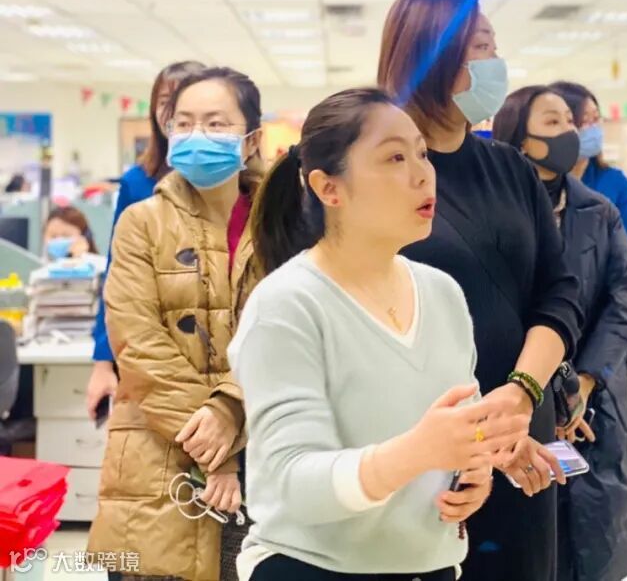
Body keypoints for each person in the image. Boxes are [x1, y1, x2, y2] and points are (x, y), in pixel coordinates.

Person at [229, 88, 529, 581]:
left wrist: (474, 470)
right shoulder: (287, 305)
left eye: (422, 154)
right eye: (394, 157)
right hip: (310, 569)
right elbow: (293, 483)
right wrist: (417, 453)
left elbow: (460, 427)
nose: (423, 174)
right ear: (329, 189)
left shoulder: (442, 293)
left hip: (430, 566)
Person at [377, 0, 581, 581]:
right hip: (418, 439)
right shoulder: (376, 174)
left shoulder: (510, 169)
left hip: (522, 434)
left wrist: (520, 394)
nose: (497, 63)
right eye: (482, 47)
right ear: (431, 55)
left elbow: (558, 292)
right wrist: (474, 428)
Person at [88, 67, 264, 581]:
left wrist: (231, 410)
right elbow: (138, 345)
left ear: (251, 140)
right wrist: (217, 449)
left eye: (216, 123)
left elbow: (288, 339)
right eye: (183, 124)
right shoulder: (141, 222)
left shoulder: (283, 223)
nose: (197, 136)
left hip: (264, 455)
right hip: (158, 458)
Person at [492, 86, 627, 581]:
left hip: (593, 404)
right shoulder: (497, 213)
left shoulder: (598, 211)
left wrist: (584, 383)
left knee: (592, 547)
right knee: (524, 547)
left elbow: (623, 300)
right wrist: (536, 392)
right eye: (553, 122)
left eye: (570, 122)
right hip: (513, 402)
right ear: (521, 137)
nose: (570, 133)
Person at [86, 60, 206, 422]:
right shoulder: (137, 182)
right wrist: (103, 361)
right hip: (150, 343)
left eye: (185, 101)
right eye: (165, 102)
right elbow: (117, 275)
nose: (174, 113)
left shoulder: (231, 180)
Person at [550, 81, 627, 235]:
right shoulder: (538, 182)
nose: (593, 128)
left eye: (597, 118)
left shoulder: (615, 181)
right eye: (584, 121)